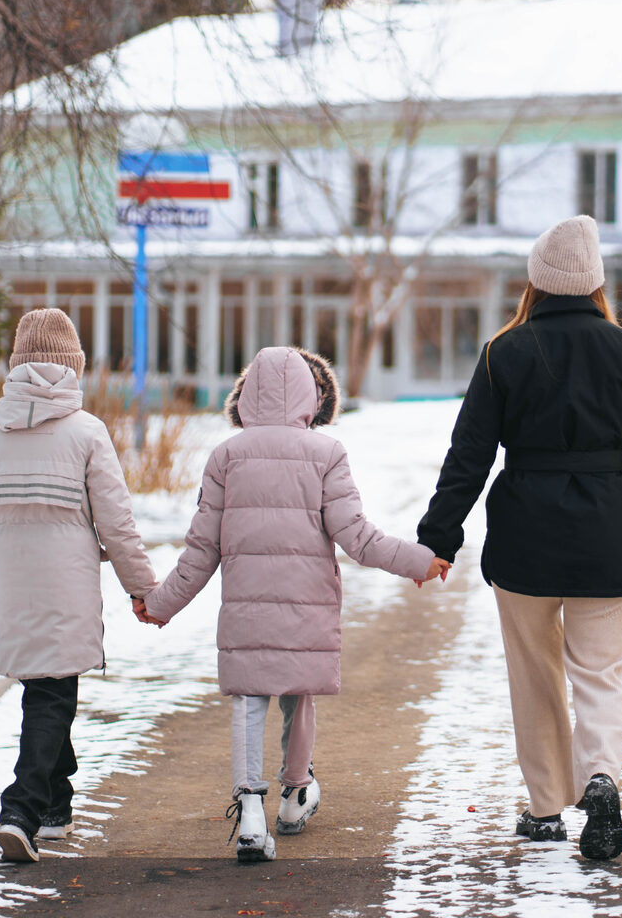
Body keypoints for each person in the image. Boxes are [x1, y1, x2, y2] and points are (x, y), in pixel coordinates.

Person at [415, 214, 622, 862]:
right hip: (606, 536)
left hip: (525, 538)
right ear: (595, 284)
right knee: (602, 673)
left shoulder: (506, 351)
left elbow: (468, 453)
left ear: (535, 282)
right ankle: (601, 779)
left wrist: (440, 537)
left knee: (535, 675)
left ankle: (545, 808)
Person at [141, 346, 449, 863]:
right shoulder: (327, 453)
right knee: (297, 692)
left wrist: (160, 604)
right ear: (315, 395)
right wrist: (418, 561)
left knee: (248, 699)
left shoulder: (226, 456)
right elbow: (357, 537)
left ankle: (250, 811)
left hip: (246, 607)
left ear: (245, 395)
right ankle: (295, 793)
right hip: (308, 607)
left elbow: (201, 549)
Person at [0, 308, 159, 864]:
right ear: (73, 368)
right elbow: (116, 524)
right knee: (53, 692)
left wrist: (5, 545)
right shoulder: (87, 433)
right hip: (66, 586)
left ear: (16, 364)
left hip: (10, 585)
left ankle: (55, 807)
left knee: (42, 688)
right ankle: (21, 808)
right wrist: (143, 588)